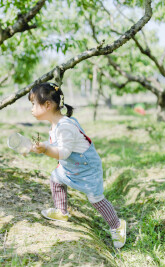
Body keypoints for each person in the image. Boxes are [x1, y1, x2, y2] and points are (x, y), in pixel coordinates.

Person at [28, 82, 127, 249]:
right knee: (56, 178)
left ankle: (117, 226)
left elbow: (64, 152)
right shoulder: (55, 125)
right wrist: (41, 146)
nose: (31, 109)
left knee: (96, 199)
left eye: (33, 104)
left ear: (47, 105)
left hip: (86, 169)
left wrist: (45, 149)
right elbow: (57, 144)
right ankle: (61, 212)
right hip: (71, 168)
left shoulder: (65, 126)